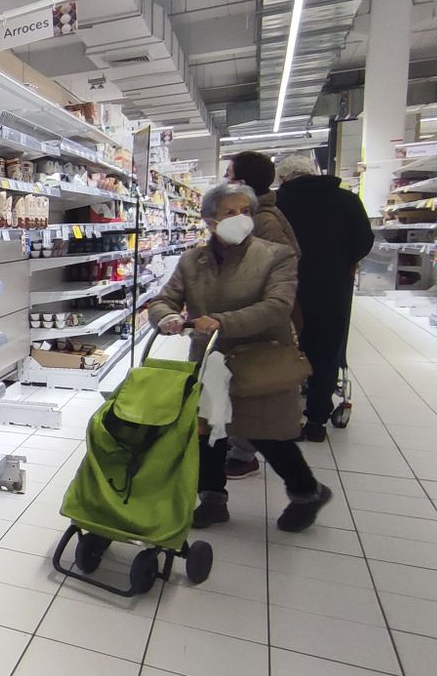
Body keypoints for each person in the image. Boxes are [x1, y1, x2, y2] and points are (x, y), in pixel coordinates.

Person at [146, 182, 333, 532]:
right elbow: (164, 300)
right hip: (209, 360)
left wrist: (220, 321)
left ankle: (308, 492)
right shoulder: (192, 261)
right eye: (229, 212)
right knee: (208, 431)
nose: (240, 218)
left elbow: (277, 307)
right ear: (209, 221)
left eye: (245, 211)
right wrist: (166, 316)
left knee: (265, 433)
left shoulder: (276, 255)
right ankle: (213, 499)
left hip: (259, 360)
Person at [274, 151, 375, 442]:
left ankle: (287, 419)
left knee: (286, 351)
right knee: (327, 352)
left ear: (283, 178)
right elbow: (364, 241)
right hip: (333, 289)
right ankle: (317, 420)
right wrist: (344, 261)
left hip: (288, 290)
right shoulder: (346, 200)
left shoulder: (279, 203)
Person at [221, 151, 300, 478]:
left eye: (230, 175)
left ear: (242, 181)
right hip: (244, 319)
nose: (226, 180)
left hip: (258, 322)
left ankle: (300, 485)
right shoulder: (251, 214)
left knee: (251, 394)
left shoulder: (263, 219)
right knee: (235, 391)